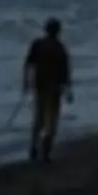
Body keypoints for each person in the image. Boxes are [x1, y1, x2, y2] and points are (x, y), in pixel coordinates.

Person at [22, 17, 72, 163]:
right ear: (58, 31)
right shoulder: (60, 47)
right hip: (53, 88)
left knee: (39, 119)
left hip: (40, 86)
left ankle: (34, 147)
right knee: (52, 121)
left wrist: (26, 82)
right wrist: (68, 89)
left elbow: (28, 64)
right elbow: (66, 71)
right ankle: (45, 151)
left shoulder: (38, 44)